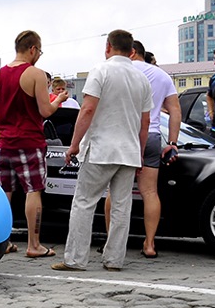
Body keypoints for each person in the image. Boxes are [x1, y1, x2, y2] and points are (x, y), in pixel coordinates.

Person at [51, 30, 152, 272]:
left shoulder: (101, 70)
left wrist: (74, 144)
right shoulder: (142, 79)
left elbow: (87, 110)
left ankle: (75, 259)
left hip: (101, 149)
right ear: (132, 51)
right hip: (128, 151)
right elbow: (145, 122)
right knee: (121, 206)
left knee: (84, 202)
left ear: (108, 47)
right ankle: (114, 259)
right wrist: (139, 153)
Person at [0, 30, 68, 258]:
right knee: (34, 190)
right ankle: (34, 245)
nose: (39, 56)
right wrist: (59, 100)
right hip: (30, 141)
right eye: (39, 51)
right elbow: (45, 110)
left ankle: (3, 242)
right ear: (32, 49)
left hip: (4, 142)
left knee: (5, 191)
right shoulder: (36, 74)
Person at [103, 40, 181, 258]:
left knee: (115, 192)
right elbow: (175, 111)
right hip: (153, 136)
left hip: (122, 135)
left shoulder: (117, 71)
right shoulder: (162, 76)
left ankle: (112, 242)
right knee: (150, 192)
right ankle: (149, 244)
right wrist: (173, 143)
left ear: (131, 52)